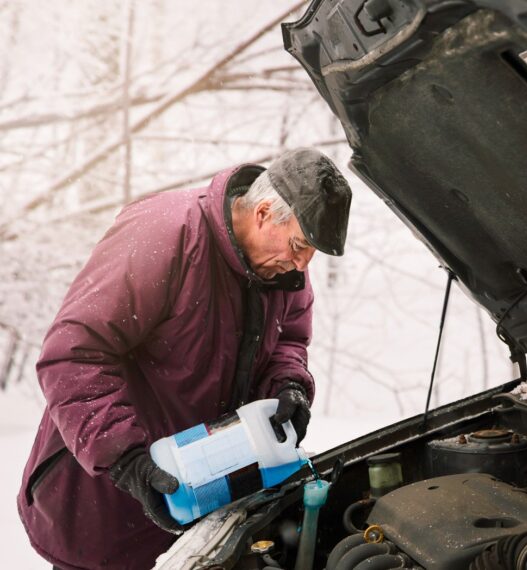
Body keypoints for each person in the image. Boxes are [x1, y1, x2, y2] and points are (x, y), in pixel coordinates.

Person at [17, 148, 352, 570]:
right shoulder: (166, 236)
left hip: (200, 504)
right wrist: (127, 461)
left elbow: (289, 341)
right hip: (105, 502)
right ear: (264, 212)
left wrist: (287, 386)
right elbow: (73, 355)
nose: (303, 264)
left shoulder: (283, 271)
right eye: (300, 245)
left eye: (312, 252)